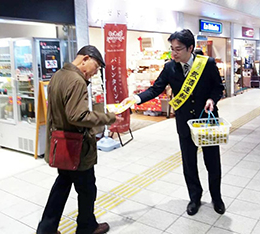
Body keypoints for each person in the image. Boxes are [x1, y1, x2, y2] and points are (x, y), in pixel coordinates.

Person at [122, 29, 225, 216]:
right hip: (185, 123)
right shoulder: (170, 67)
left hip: (207, 120)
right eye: (172, 48)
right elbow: (155, 89)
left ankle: (217, 197)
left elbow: (218, 87)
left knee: (213, 161)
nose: (173, 53)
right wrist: (136, 98)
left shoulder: (207, 64)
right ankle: (195, 197)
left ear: (190, 48)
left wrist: (212, 99)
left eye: (178, 49)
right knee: (189, 162)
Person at [37, 45, 122, 234]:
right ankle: (86, 227)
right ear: (85, 59)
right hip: (76, 147)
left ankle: (46, 229)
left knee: (62, 186)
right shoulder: (76, 81)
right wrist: (110, 117)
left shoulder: (58, 75)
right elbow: (78, 116)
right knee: (87, 190)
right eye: (97, 66)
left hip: (61, 143)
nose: (96, 71)